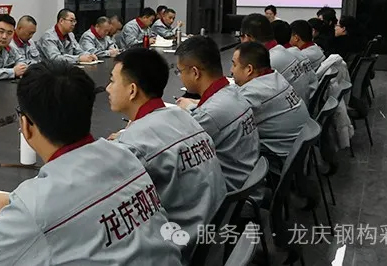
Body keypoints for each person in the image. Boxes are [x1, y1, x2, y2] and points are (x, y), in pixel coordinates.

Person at [0, 62, 182, 265]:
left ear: (25, 125)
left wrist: (19, 211)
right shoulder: (125, 154)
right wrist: (13, 202)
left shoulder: (35, 208)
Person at [107, 48, 226, 262]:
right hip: (213, 239)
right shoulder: (184, 116)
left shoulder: (134, 144)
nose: (108, 88)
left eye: (112, 81)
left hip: (181, 249)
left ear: (132, 90)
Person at [174, 36, 259, 192]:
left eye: (179, 71)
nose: (179, 76)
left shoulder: (208, 115)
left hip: (231, 193)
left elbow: (172, 150)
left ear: (195, 72)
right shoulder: (234, 92)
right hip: (247, 178)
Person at [231, 42, 309, 166]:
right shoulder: (275, 77)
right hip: (296, 151)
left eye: (234, 65)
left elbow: (224, 115)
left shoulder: (254, 93)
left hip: (277, 160)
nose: (231, 70)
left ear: (249, 69)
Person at [241, 14, 317, 106]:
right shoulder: (284, 51)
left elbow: (244, 96)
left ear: (248, 37)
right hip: (303, 104)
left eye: (241, 36)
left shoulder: (268, 61)